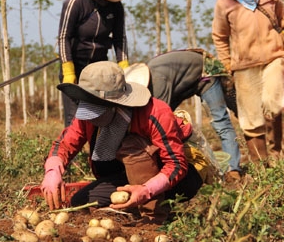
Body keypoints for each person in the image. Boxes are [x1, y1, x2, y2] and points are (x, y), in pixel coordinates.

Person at [40, 61, 203, 223]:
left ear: (114, 105)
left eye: (97, 111)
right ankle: (134, 207)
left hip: (179, 177)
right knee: (80, 202)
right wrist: (53, 171)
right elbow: (66, 143)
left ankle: (154, 219)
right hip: (126, 176)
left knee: (132, 145)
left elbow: (176, 164)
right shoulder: (89, 117)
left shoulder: (155, 113)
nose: (92, 118)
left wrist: (146, 191)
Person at [212, 0, 284, 164]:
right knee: (250, 118)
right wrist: (226, 63)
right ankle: (262, 163)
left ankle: (276, 147)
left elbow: (283, 15)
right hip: (243, 65)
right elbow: (220, 36)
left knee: (272, 100)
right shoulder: (225, 3)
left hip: (274, 56)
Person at [124, 49, 242, 182]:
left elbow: (160, 123)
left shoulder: (157, 82)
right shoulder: (151, 80)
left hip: (205, 73)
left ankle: (233, 170)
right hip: (183, 83)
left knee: (220, 122)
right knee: (174, 125)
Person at [57, 0, 129, 127]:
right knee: (73, 118)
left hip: (99, 69)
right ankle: (71, 152)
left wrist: (125, 67)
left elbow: (120, 39)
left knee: (98, 116)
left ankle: (96, 152)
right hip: (74, 65)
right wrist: (68, 71)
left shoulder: (116, 8)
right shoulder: (75, 2)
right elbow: (63, 37)